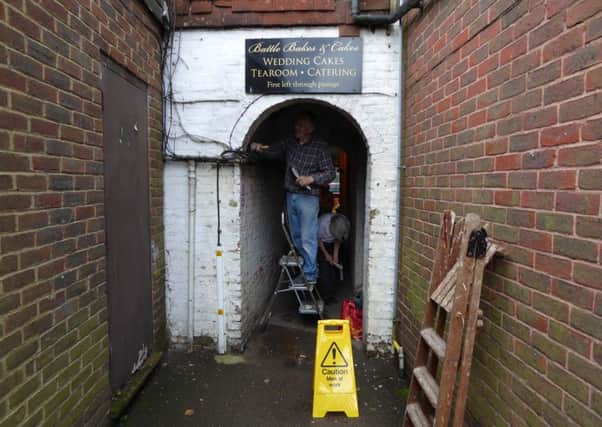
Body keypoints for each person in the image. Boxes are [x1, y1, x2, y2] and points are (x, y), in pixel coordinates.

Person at [250, 112, 336, 284]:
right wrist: (258, 147)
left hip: (308, 198)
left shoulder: (320, 147)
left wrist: (311, 179)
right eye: (296, 124)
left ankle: (310, 275)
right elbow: (273, 151)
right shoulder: (290, 143)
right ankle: (305, 270)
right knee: (296, 237)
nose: (297, 127)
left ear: (311, 129)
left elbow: (330, 173)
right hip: (291, 196)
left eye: (302, 125)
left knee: (307, 237)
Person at [318, 213, 350, 304]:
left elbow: (337, 240)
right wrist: (326, 254)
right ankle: (325, 298)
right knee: (324, 272)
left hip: (331, 244)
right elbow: (318, 240)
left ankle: (331, 295)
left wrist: (335, 255)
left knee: (332, 270)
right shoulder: (322, 224)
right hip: (321, 244)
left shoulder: (341, 225)